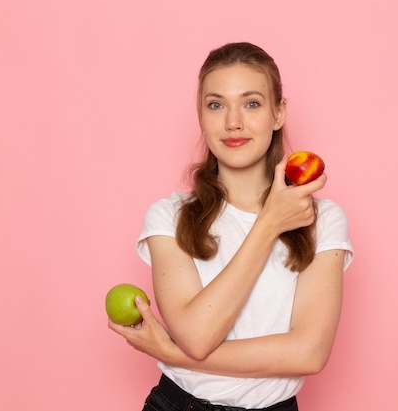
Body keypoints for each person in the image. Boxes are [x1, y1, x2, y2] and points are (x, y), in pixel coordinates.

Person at [109, 41, 354, 411]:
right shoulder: (168, 216)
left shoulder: (323, 220)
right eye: (216, 104)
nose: (233, 122)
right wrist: (270, 223)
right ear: (201, 115)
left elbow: (309, 352)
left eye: (252, 103)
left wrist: (174, 355)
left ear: (278, 113)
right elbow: (197, 335)